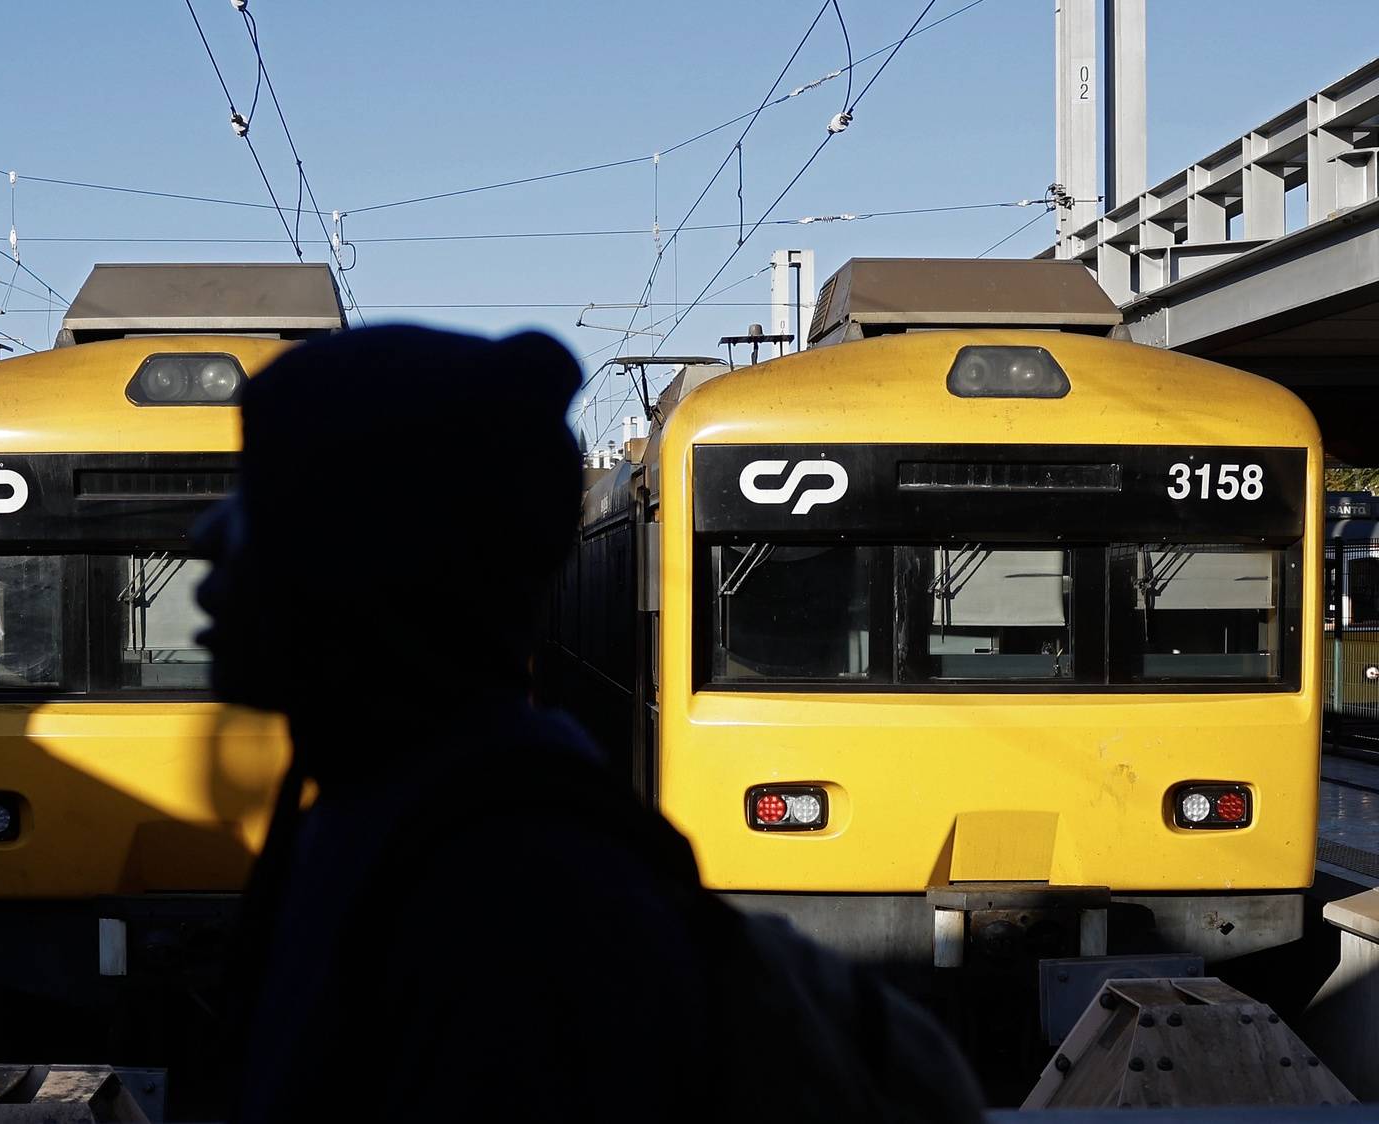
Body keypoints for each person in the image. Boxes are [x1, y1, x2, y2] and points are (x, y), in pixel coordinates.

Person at [195, 325, 983, 1123]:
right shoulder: (391, 823)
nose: (207, 539)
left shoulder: (511, 916)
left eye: (260, 501)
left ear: (374, 564)